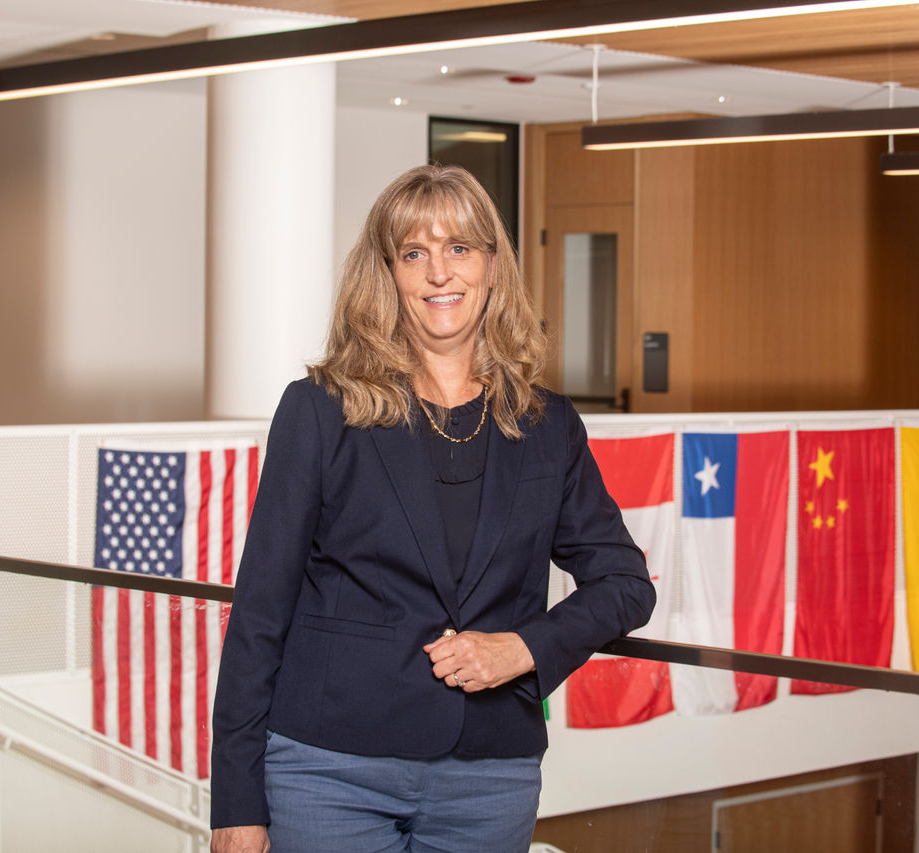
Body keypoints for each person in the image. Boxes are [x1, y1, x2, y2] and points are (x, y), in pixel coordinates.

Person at [210, 164, 655, 853]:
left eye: (459, 249)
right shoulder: (321, 410)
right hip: (330, 770)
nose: (439, 273)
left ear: (492, 267)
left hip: (490, 777)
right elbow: (261, 610)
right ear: (387, 275)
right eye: (414, 253)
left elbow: (625, 584)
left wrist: (523, 648)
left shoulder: (546, 425)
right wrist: (235, 803)